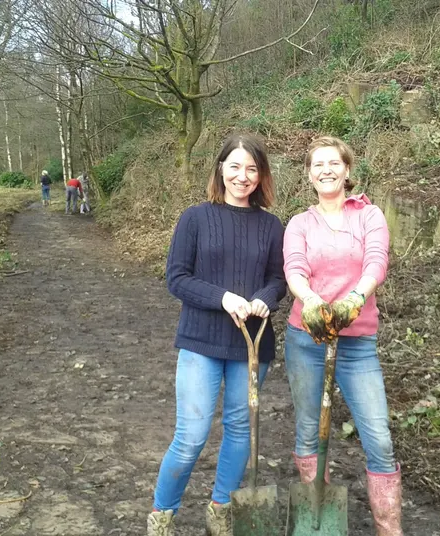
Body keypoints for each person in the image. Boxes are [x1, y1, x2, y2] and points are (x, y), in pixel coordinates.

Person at [146, 133, 286, 536]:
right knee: (191, 435)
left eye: (252, 169)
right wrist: (223, 297)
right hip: (201, 341)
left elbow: (279, 278)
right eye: (235, 166)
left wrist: (263, 297)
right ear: (220, 168)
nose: (243, 176)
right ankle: (162, 514)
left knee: (241, 429)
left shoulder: (271, 225)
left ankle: (221, 508)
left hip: (252, 344)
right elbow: (177, 279)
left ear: (261, 176)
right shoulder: (195, 218)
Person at [282, 136, 401, 536]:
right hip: (307, 339)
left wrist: (355, 296)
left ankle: (389, 529)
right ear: (309, 174)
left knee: (379, 438)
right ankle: (321, 522)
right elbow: (294, 268)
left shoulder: (369, 216)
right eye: (318, 165)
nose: (326, 170)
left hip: (357, 345)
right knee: (309, 428)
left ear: (347, 170)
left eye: (333, 163)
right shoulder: (300, 223)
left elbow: (376, 262)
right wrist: (311, 300)